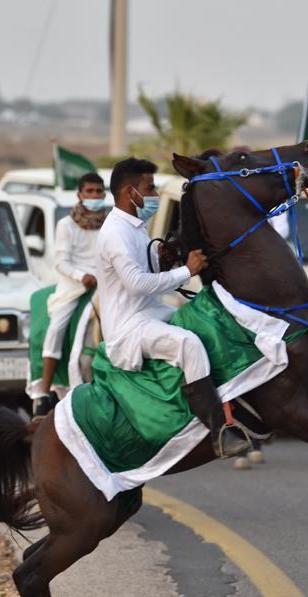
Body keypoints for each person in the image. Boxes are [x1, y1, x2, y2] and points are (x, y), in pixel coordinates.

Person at [96, 157, 249, 459]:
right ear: (130, 192)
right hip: (128, 328)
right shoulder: (114, 232)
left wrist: (164, 261)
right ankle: (219, 431)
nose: (153, 195)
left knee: (204, 318)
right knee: (188, 343)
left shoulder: (137, 227)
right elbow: (137, 283)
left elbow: (148, 274)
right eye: (149, 189)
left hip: (150, 313)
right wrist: (187, 271)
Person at [32, 172, 109, 417]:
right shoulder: (66, 224)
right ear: (80, 195)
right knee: (56, 328)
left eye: (98, 191)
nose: (95, 196)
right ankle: (43, 392)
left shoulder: (109, 223)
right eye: (90, 191)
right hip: (74, 286)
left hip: (104, 285)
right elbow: (61, 262)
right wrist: (81, 277)